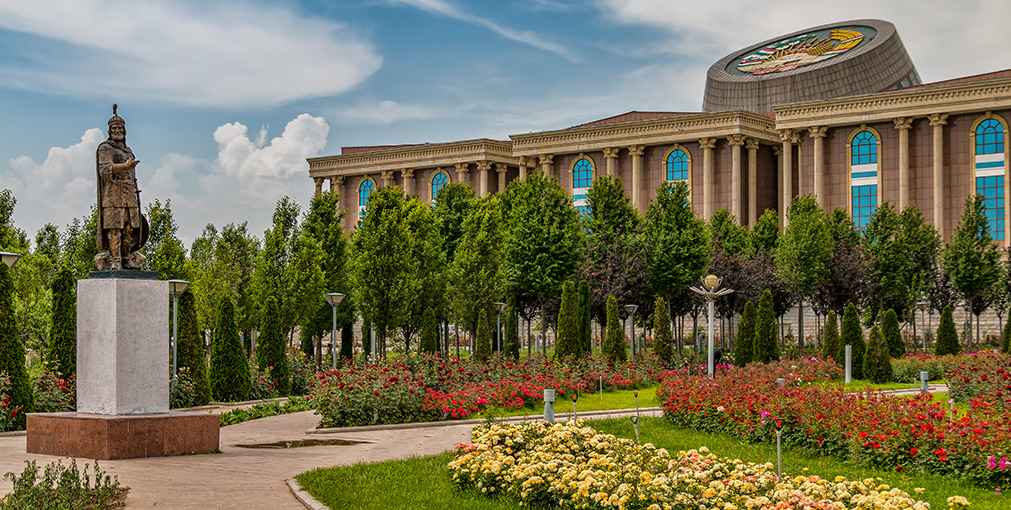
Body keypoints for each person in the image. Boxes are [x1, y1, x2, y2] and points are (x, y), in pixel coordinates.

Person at [95, 104, 147, 270]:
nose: (117, 130)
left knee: (128, 228)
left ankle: (126, 258)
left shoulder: (128, 151)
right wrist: (125, 166)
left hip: (128, 194)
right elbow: (105, 170)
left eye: (120, 128)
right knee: (114, 228)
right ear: (109, 131)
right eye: (114, 128)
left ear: (125, 131)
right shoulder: (105, 148)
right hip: (112, 195)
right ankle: (115, 260)